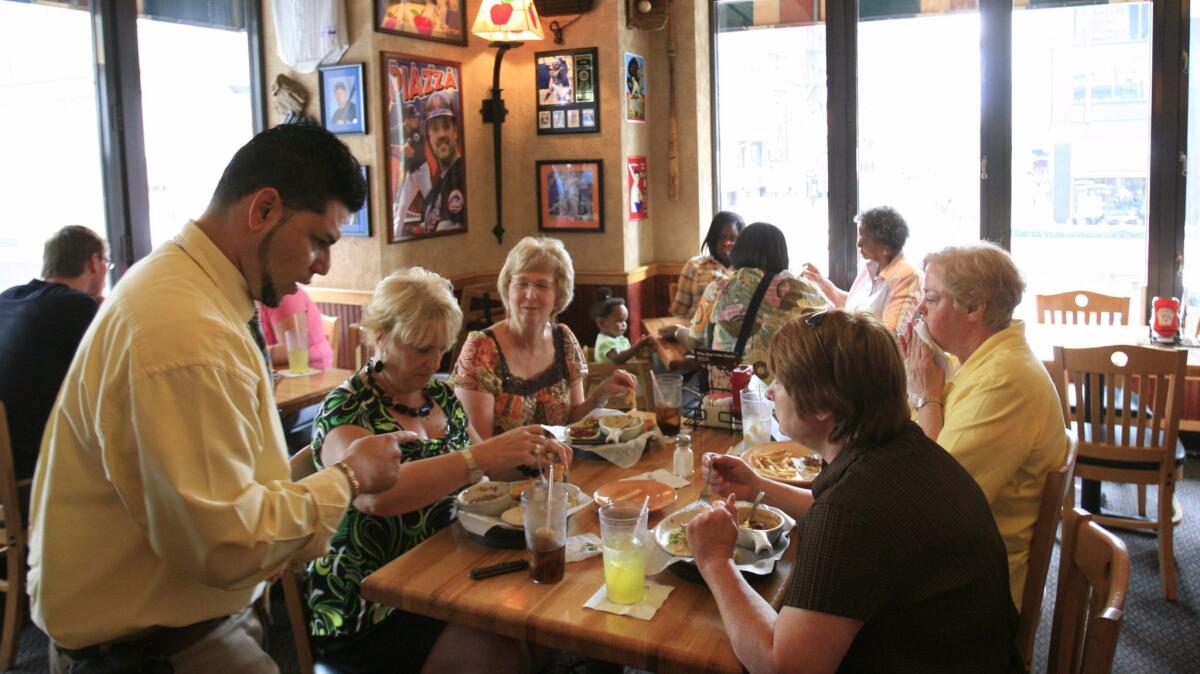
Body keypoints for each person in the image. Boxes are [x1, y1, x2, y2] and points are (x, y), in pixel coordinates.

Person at [30, 123, 407, 674]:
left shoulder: (187, 288)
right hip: (153, 650)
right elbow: (227, 543)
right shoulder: (184, 330)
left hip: (177, 629)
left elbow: (222, 478)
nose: (323, 264)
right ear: (264, 209)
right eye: (320, 240)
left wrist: (317, 459)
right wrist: (349, 478)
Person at [688, 311, 1022, 672]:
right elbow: (834, 509)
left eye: (782, 380)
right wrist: (758, 485)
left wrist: (714, 560)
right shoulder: (903, 447)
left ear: (823, 404)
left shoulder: (852, 511)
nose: (770, 390)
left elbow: (783, 666)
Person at [307, 267, 569, 673]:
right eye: (420, 349)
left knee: (542, 616)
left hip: (448, 572)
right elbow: (376, 496)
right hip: (374, 603)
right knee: (503, 643)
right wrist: (480, 459)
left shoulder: (438, 395)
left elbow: (483, 464)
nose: (433, 362)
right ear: (380, 336)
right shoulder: (346, 409)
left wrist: (527, 457)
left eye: (441, 349)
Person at [899, 242, 1069, 609]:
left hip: (970, 589)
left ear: (974, 308)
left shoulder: (1004, 380)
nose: (920, 310)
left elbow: (930, 499)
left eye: (931, 298)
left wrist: (927, 396)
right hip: (955, 559)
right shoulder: (973, 362)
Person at [453, 237, 636, 438]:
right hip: (500, 469)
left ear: (558, 295)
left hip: (560, 466)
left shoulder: (564, 340)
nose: (531, 294)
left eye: (542, 285)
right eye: (522, 283)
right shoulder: (481, 349)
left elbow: (573, 425)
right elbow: (481, 450)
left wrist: (599, 396)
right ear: (508, 288)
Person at [0, 226, 106, 490]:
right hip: (34, 471)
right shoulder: (75, 307)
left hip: (7, 462)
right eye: (107, 263)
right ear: (94, 262)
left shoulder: (8, 298)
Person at [660, 222, 827, 383]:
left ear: (738, 250)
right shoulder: (806, 291)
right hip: (790, 392)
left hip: (731, 395)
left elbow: (696, 341)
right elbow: (828, 330)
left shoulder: (720, 287)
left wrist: (677, 332)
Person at [801, 205, 921, 333]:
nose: (858, 243)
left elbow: (889, 335)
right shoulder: (871, 266)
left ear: (884, 247)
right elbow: (856, 307)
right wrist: (823, 284)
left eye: (864, 238)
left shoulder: (906, 275)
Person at [666, 211, 744, 319]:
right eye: (722, 237)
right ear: (714, 239)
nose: (726, 243)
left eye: (732, 238)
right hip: (694, 332)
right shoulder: (694, 266)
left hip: (733, 334)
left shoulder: (748, 271)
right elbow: (679, 314)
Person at [420, 90, 465, 234]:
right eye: (434, 128)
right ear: (429, 136)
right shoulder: (432, 194)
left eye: (446, 127)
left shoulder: (462, 175)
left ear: (455, 131)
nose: (441, 135)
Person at [259, 284, 334, 370]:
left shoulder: (284, 295)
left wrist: (248, 353)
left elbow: (293, 349)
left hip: (310, 372)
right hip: (281, 371)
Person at [591, 287, 651, 364]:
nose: (624, 324)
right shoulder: (605, 343)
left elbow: (629, 356)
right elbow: (618, 358)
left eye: (624, 320)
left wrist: (640, 347)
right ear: (602, 323)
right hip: (612, 375)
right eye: (620, 321)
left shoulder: (617, 338)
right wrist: (637, 346)